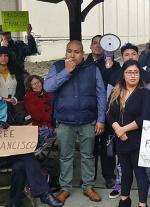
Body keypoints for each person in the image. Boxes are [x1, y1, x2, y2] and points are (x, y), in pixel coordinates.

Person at [44, 40, 106, 203]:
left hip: (88, 120)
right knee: (65, 156)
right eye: (69, 51)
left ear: (83, 53)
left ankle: (88, 186)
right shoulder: (58, 67)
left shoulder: (92, 68)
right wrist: (66, 71)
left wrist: (100, 119)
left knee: (88, 155)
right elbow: (48, 87)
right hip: (65, 121)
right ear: (65, 52)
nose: (72, 55)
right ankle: (65, 188)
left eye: (76, 52)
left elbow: (101, 94)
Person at [107, 43, 150, 200]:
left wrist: (123, 130)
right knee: (125, 172)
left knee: (140, 172)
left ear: (140, 74)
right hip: (121, 139)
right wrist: (117, 128)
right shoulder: (116, 92)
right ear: (123, 74)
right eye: (129, 72)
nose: (132, 75)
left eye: (136, 72)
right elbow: (109, 113)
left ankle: (142, 203)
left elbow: (145, 118)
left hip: (138, 138)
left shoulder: (145, 93)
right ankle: (124, 199)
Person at [0, 98, 63, 207]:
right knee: (24, 160)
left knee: (22, 163)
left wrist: (21, 124)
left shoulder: (7, 106)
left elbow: (18, 124)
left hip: (10, 152)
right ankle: (44, 194)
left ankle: (17, 201)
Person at [85, 34, 120, 188]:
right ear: (90, 46)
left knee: (107, 146)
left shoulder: (114, 64)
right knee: (89, 147)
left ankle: (109, 176)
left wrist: (110, 65)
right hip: (88, 111)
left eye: (101, 43)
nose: (98, 46)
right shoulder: (83, 64)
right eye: (95, 43)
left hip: (107, 111)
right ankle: (88, 177)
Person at [24, 75, 54, 146]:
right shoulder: (29, 97)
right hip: (41, 126)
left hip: (50, 124)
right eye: (34, 84)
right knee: (62, 132)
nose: (37, 85)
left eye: (38, 82)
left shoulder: (47, 94)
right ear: (30, 86)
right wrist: (51, 113)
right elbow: (38, 116)